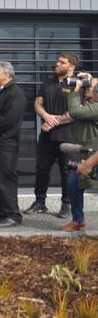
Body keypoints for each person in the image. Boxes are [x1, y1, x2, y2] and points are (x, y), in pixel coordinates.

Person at [27, 53, 78, 218]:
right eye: (57, 60)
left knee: (67, 172)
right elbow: (37, 103)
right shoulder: (48, 82)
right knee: (41, 169)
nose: (57, 64)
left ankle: (66, 205)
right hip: (46, 136)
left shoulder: (78, 84)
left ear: (71, 66)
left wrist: (53, 122)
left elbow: (77, 112)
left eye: (61, 62)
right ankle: (40, 202)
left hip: (69, 137)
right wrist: (47, 117)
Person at [0, 61, 27, 228]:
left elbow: (7, 121)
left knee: (5, 180)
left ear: (7, 75)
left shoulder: (15, 94)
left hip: (6, 144)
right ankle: (0, 211)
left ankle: (13, 214)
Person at [59, 72, 98, 231]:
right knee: (73, 183)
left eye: (92, 87)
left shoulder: (96, 107)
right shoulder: (90, 102)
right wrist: (79, 82)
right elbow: (64, 93)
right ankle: (78, 220)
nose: (88, 88)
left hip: (94, 155)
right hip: (86, 154)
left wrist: (76, 90)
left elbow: (75, 111)